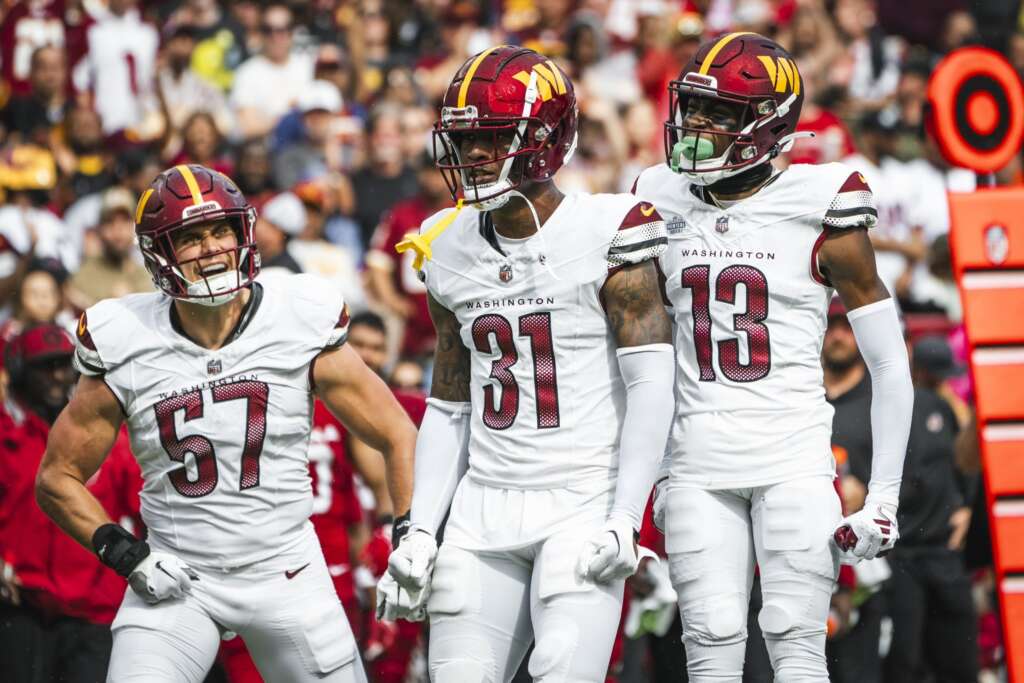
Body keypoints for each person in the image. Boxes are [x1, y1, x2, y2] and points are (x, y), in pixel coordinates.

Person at [34, 164, 417, 683]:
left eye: (221, 231)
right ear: (158, 253)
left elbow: (396, 432)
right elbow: (57, 478)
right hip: (175, 575)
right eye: (190, 237)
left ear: (245, 234)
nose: (212, 247)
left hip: (286, 569)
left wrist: (408, 534)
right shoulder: (123, 334)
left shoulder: (297, 314)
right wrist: (128, 556)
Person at [377, 46, 676, 682]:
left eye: (489, 139)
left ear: (545, 140)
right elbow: (450, 406)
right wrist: (422, 531)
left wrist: (626, 516)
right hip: (483, 504)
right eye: (464, 141)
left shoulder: (610, 228)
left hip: (581, 497)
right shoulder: (443, 243)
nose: (471, 156)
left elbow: (652, 385)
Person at [634, 33, 914, 680]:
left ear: (767, 124)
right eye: (693, 107)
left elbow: (890, 363)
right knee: (709, 642)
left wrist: (883, 499)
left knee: (795, 641)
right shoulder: (655, 193)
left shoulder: (822, 201)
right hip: (695, 460)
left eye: (719, 113)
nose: (695, 125)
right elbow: (636, 352)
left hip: (791, 456)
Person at [0, 324, 142, 683]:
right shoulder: (5, 435)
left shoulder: (105, 434)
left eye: (63, 365)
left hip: (94, 610)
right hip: (22, 607)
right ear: (18, 371)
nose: (56, 376)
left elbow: (146, 508)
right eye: (43, 366)